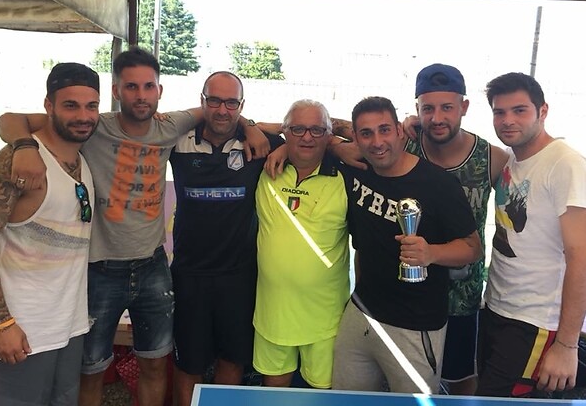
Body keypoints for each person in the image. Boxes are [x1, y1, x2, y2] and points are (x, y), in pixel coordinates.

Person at [0, 49, 269, 406]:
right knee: (92, 369)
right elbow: (9, 119)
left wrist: (250, 125)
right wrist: (23, 147)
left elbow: (225, 113)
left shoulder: (170, 127)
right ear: (116, 91)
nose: (141, 95)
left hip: (153, 267)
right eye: (131, 86)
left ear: (159, 91)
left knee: (155, 365)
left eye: (148, 87)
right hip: (100, 270)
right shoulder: (93, 125)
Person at [0, 62, 100, 405]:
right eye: (70, 105)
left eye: (91, 106)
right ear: (48, 106)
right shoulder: (17, 160)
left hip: (67, 327)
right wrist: (1, 324)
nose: (83, 116)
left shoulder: (80, 157)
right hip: (18, 330)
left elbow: (11, 119)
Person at [331, 96, 481, 394]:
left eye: (385, 130)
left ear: (400, 131)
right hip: (360, 313)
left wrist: (432, 253)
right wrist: (332, 145)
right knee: (345, 400)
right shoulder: (356, 169)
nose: (377, 142)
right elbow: (306, 135)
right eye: (366, 133)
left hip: (415, 325)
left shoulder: (438, 185)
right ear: (356, 139)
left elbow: (473, 248)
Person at [169, 71, 283, 406]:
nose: (222, 110)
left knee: (232, 360)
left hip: (239, 277)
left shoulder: (259, 143)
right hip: (189, 276)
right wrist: (249, 124)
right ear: (202, 101)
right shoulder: (177, 140)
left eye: (231, 103)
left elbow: (308, 134)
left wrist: (262, 133)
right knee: (188, 364)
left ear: (241, 105)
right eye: (215, 101)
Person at [476, 72, 586, 397]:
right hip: (497, 307)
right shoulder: (514, 159)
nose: (508, 120)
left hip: (535, 322)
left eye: (519, 110)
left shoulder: (565, 164)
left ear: (543, 111)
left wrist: (566, 344)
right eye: (499, 112)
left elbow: (581, 256)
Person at [403, 63, 508, 395]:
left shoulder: (492, 159)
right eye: (428, 109)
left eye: (447, 107)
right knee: (407, 379)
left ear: (464, 106)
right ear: (417, 109)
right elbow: (354, 136)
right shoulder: (404, 148)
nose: (437, 118)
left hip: (462, 297)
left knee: (460, 378)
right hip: (409, 294)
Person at [253, 99, 349, 389]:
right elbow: (246, 125)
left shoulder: (347, 174)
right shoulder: (263, 163)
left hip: (325, 321)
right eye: (298, 129)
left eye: (316, 130)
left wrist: (333, 137)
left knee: (321, 397)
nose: (307, 137)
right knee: (274, 396)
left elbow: (372, 141)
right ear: (284, 131)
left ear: (328, 135)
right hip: (273, 315)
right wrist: (285, 144)